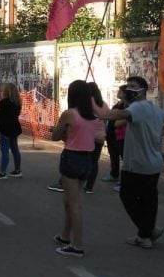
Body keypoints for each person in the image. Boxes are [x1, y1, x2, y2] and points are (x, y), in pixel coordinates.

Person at [99, 76, 164, 249]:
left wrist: (103, 114)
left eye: (133, 86)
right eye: (128, 85)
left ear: (143, 90)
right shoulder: (153, 108)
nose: (129, 88)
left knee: (127, 195)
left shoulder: (137, 106)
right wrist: (160, 133)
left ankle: (145, 233)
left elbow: (119, 115)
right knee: (148, 199)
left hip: (137, 163)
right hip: (153, 162)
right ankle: (148, 231)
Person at [51, 80, 105, 257]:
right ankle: (65, 236)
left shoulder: (69, 114)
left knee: (74, 204)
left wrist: (64, 132)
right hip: (87, 159)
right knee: (68, 200)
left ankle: (78, 245)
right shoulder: (94, 116)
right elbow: (98, 138)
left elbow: (55, 136)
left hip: (72, 157)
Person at [0, 83, 23, 179]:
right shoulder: (18, 103)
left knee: (5, 150)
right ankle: (17, 170)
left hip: (5, 128)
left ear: (6, 91)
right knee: (15, 149)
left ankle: (2, 172)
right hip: (15, 127)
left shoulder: (3, 102)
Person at [84, 82, 109, 193]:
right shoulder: (104, 104)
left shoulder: (88, 102)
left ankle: (77, 181)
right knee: (94, 162)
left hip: (88, 135)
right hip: (100, 135)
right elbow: (106, 119)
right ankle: (90, 186)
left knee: (83, 159)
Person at [102, 85, 128, 185]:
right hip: (111, 132)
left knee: (123, 155)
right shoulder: (119, 103)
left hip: (120, 134)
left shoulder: (126, 105)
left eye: (120, 91)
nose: (118, 92)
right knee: (113, 155)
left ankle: (124, 178)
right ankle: (114, 174)